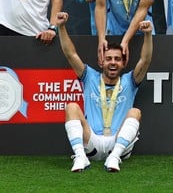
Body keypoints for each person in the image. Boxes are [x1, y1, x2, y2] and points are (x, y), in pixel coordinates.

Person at [57, 11, 152, 173]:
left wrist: (148, 35)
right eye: (109, 59)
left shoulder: (130, 80)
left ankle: (114, 157)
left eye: (117, 59)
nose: (113, 62)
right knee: (72, 107)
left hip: (119, 144)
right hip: (91, 141)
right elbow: (70, 54)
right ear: (102, 62)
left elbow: (145, 60)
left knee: (135, 112)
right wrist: (61, 27)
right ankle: (80, 157)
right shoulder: (90, 77)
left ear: (123, 63)